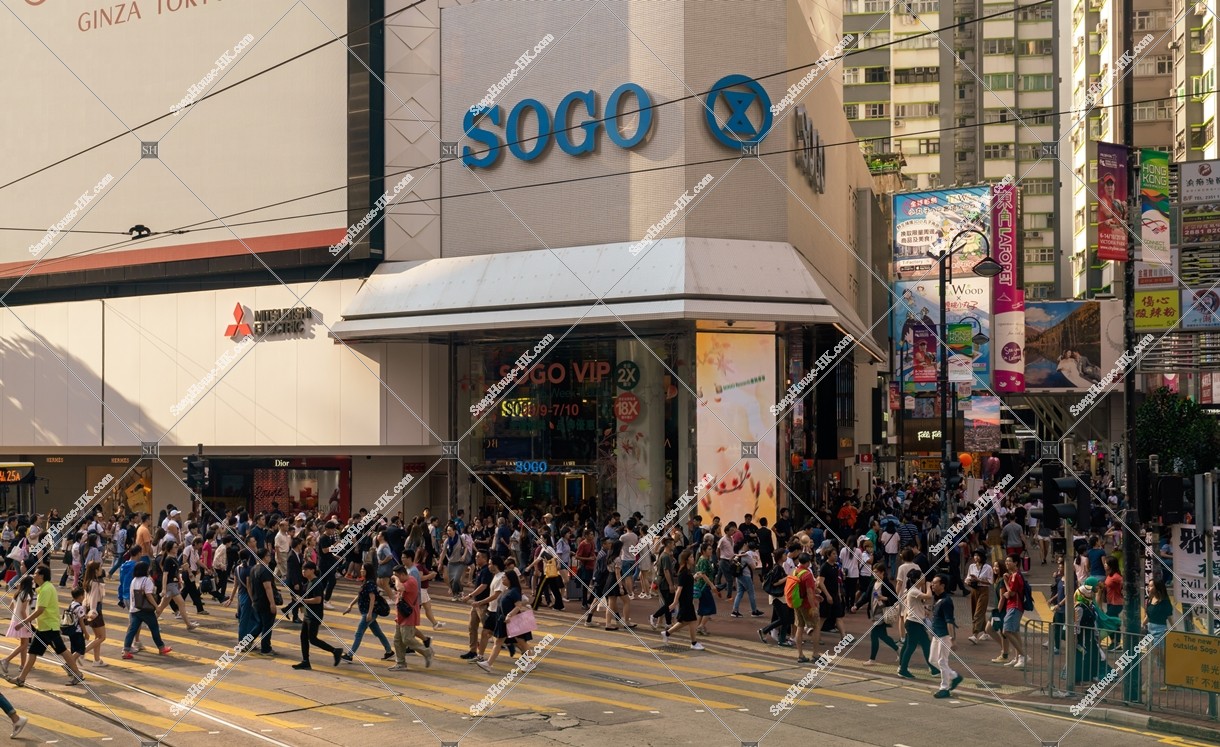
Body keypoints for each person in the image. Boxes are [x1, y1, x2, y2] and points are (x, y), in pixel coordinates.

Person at [12, 566, 87, 687]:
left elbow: (40, 610)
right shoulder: (44, 588)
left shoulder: (46, 589)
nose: (34, 575)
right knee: (32, 653)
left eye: (36, 573)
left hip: (49, 628)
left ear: (41, 576)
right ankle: (21, 679)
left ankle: (78, 674)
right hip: (43, 627)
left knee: (62, 651)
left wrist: (23, 622)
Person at [477, 566, 533, 673]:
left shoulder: (515, 591)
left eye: (504, 578)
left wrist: (510, 615)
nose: (502, 579)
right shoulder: (508, 590)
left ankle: (530, 663)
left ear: (510, 579)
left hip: (515, 620)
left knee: (522, 642)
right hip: (503, 620)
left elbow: (518, 606)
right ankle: (488, 664)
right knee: (498, 642)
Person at [292, 561, 342, 670]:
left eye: (305, 570)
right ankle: (305, 661)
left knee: (313, 639)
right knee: (303, 637)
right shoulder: (309, 582)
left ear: (312, 570)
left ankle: (335, 651)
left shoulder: (316, 583)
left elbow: (318, 600)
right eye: (302, 570)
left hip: (314, 616)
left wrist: (303, 601)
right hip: (308, 614)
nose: (303, 572)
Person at [342, 563, 394, 662]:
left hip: (368, 613)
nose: (361, 571)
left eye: (363, 569)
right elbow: (359, 595)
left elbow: (372, 598)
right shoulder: (366, 582)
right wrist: (350, 605)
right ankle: (389, 651)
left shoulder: (370, 583)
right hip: (367, 612)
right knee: (378, 633)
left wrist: (370, 613)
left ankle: (349, 655)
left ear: (367, 571)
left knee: (358, 633)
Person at [387, 565, 434, 671]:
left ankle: (427, 652)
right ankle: (401, 663)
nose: (395, 578)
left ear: (403, 574)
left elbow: (399, 588)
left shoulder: (411, 581)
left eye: (398, 576)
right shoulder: (404, 581)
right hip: (401, 615)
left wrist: (396, 578)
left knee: (407, 639)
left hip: (409, 615)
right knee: (397, 640)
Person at [897, 569, 938, 679]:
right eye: (922, 575)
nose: (924, 577)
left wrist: (924, 609)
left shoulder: (915, 590)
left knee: (925, 645)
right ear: (916, 579)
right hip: (913, 623)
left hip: (916, 622)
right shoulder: (914, 591)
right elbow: (929, 596)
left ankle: (933, 669)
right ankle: (903, 669)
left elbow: (920, 604)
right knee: (911, 646)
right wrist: (929, 585)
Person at [660, 549, 703, 650]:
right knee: (692, 621)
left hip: (687, 599)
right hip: (685, 601)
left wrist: (695, 577)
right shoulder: (683, 572)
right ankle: (693, 643)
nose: (693, 559)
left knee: (685, 621)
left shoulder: (687, 572)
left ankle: (667, 633)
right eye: (691, 557)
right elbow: (679, 588)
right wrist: (675, 602)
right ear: (686, 559)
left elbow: (687, 583)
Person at [928, 574, 963, 698]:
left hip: (945, 635)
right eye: (932, 583)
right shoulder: (937, 599)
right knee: (932, 660)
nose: (932, 585)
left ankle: (945, 688)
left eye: (935, 583)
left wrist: (952, 639)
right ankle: (954, 676)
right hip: (936, 635)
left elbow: (949, 621)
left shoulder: (947, 601)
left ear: (942, 585)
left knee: (942, 661)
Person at [155, 540, 200, 632]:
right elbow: (165, 574)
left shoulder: (173, 558)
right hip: (170, 585)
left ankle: (151, 621)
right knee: (181, 603)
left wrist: (183, 568)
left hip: (174, 584)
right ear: (170, 549)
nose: (177, 548)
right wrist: (164, 589)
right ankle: (188, 625)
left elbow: (175, 572)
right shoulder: (168, 559)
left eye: (177, 547)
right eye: (175, 547)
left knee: (162, 606)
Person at [992, 554, 1027, 669]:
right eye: (1006, 561)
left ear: (1016, 563)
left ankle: (1023, 655)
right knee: (1015, 632)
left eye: (1009, 561)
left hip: (1015, 606)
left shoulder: (1016, 575)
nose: (1007, 563)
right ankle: (1018, 658)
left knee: (1006, 631)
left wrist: (1006, 582)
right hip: (1014, 606)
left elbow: (1011, 592)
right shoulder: (1014, 575)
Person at [863, 562, 900, 666]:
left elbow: (895, 598)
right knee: (883, 636)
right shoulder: (873, 583)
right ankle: (898, 650)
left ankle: (872, 659)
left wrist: (884, 598)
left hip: (883, 614)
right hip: (875, 613)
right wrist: (856, 605)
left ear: (882, 572)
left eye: (876, 572)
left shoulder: (887, 584)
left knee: (874, 634)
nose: (874, 574)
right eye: (873, 572)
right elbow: (866, 596)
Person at [248, 546, 279, 656]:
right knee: (267, 625)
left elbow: (250, 586)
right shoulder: (265, 570)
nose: (270, 557)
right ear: (264, 557)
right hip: (265, 602)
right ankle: (266, 648)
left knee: (260, 624)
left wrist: (253, 599)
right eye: (268, 555)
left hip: (257, 601)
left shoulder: (253, 569)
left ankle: (246, 642)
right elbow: (268, 588)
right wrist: (272, 603)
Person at [1, 577, 35, 677]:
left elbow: (11, 607)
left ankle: (22, 665)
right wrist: (28, 623)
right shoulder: (27, 595)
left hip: (16, 620)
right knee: (24, 645)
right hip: (22, 621)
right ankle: (6, 660)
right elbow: (23, 611)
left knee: (23, 644)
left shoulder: (18, 593)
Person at [81, 561, 109, 667]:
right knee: (102, 637)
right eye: (100, 567)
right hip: (95, 610)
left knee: (98, 636)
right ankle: (82, 652)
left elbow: (85, 598)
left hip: (90, 609)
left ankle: (97, 660)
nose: (101, 569)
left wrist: (85, 611)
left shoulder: (88, 581)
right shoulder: (95, 583)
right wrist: (93, 611)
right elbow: (92, 598)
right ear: (96, 570)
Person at [964, 548, 994, 643]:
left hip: (983, 590)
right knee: (976, 611)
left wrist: (979, 580)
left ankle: (975, 634)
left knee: (978, 612)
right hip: (974, 590)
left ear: (982, 557)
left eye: (978, 555)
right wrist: (968, 581)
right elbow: (967, 577)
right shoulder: (971, 566)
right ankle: (985, 632)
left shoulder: (988, 567)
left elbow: (990, 581)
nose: (976, 557)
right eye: (975, 555)